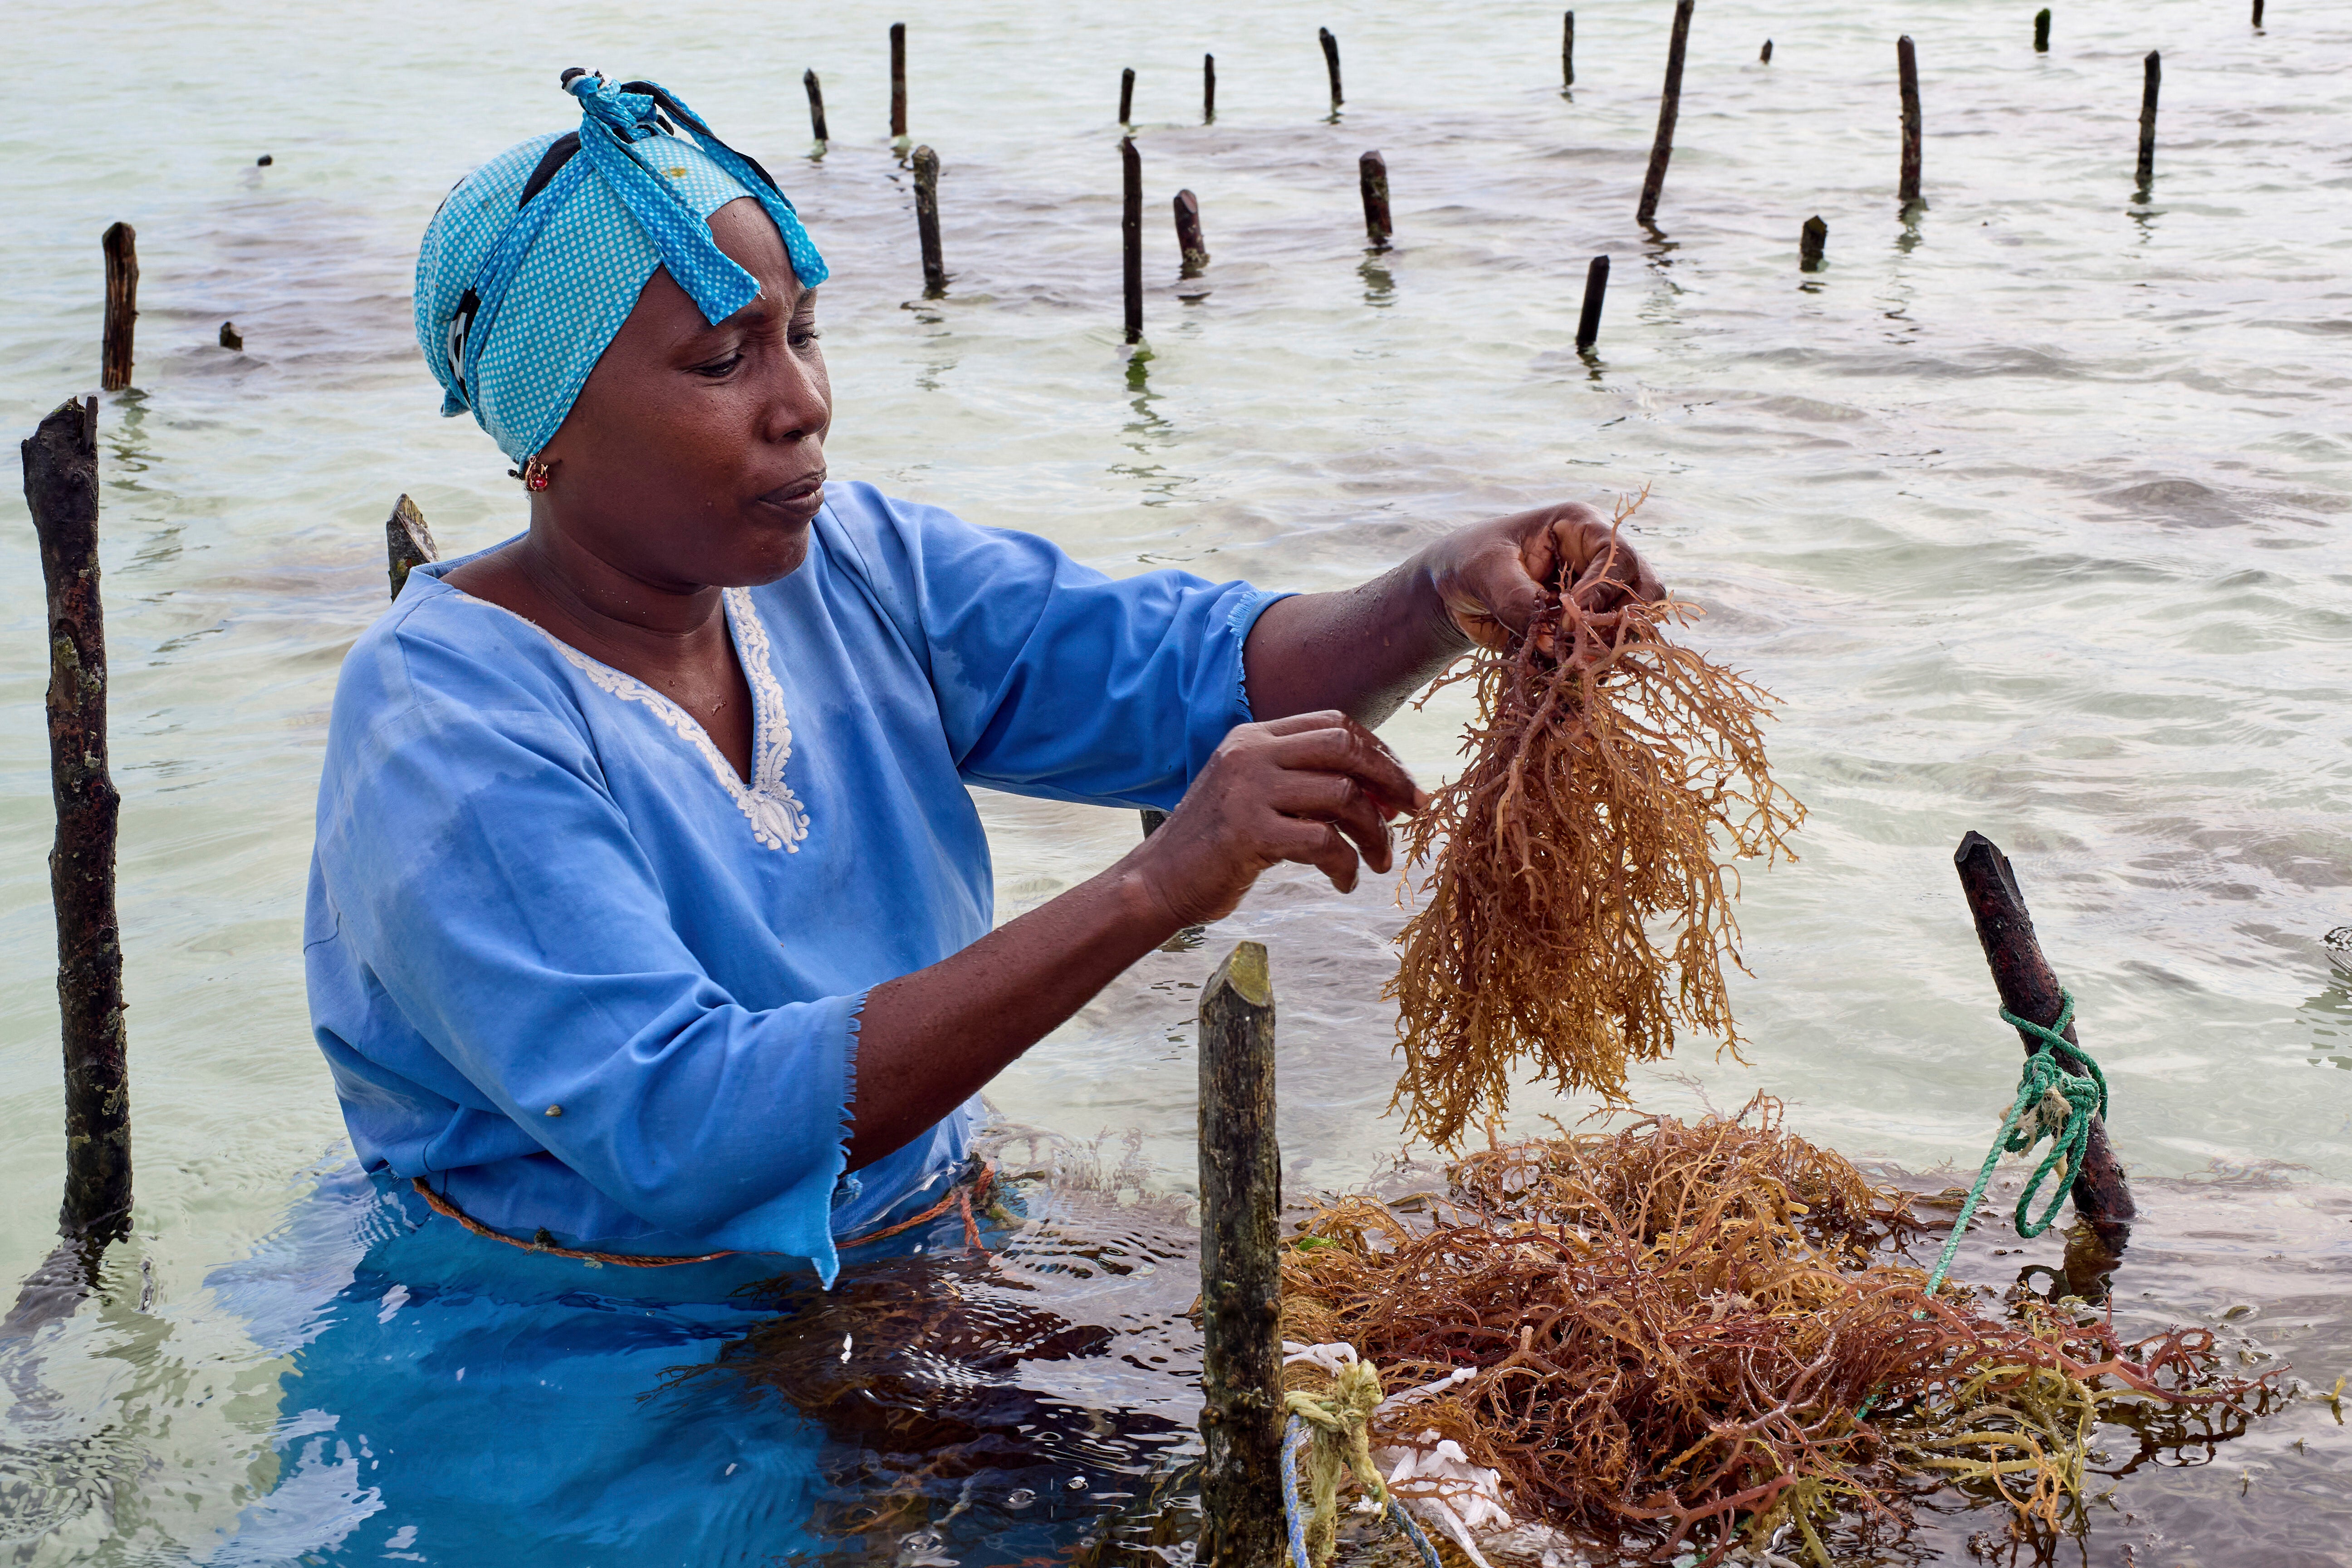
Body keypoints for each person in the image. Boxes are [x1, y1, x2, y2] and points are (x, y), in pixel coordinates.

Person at [306, 69, 1663, 1288]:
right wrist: (1152, 886)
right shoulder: (445, 722)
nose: (803, 401)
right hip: (587, 1334)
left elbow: (1183, 672)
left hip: (910, 1242)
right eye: (724, 360)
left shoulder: (852, 565)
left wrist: (1435, 591)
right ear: (549, 436)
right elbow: (682, 1131)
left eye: (805, 333)